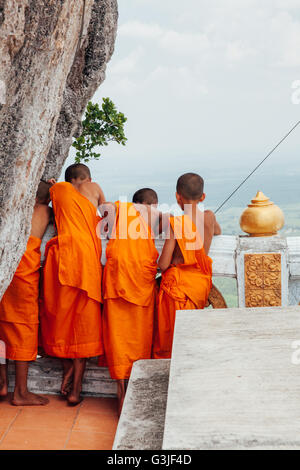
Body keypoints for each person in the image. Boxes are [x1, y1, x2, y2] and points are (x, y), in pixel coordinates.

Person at [40, 163, 105, 406]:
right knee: (84, 324)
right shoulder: (94, 188)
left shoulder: (58, 191)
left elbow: (43, 203)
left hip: (62, 259)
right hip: (86, 261)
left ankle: (66, 369)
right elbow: (107, 217)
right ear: (88, 178)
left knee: (59, 318)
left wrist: (52, 186)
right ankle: (76, 388)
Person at [100, 188, 162, 415]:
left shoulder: (120, 208)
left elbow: (105, 213)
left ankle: (121, 393)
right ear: (152, 203)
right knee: (139, 336)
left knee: (117, 335)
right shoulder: (155, 214)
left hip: (117, 278)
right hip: (140, 282)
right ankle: (134, 393)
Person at [153, 173, 221, 359]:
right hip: (199, 286)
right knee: (190, 341)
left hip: (178, 288)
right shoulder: (209, 217)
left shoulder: (176, 224)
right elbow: (218, 231)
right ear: (203, 197)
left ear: (177, 196)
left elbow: (164, 264)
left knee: (171, 341)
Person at [0, 181, 53, 406]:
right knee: (24, 330)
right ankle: (20, 392)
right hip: (25, 273)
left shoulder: (14, 210)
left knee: (3, 326)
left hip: (7, 268)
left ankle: (2, 383)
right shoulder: (45, 210)